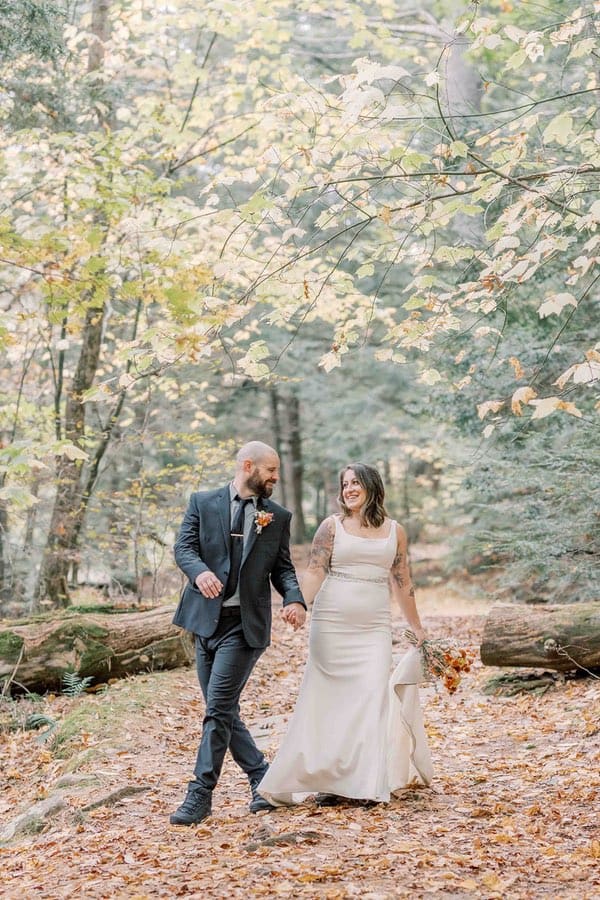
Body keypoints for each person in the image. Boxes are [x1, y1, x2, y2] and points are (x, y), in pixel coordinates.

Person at [258, 462, 433, 806]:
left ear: (372, 486)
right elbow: (315, 571)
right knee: (328, 702)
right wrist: (300, 605)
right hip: (332, 625)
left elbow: (402, 581)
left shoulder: (394, 531)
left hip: (373, 629)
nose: (349, 489)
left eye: (356, 482)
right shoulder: (332, 526)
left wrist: (417, 627)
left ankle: (365, 783)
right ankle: (330, 780)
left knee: (371, 699)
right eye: (345, 484)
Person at [170, 441, 306, 825]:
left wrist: (294, 600)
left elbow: (283, 568)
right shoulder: (202, 501)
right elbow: (184, 548)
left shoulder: (276, 516)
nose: (275, 478)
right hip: (204, 623)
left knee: (217, 709)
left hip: (245, 629)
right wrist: (200, 572)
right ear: (248, 466)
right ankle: (262, 778)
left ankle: (199, 795)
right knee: (223, 710)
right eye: (270, 470)